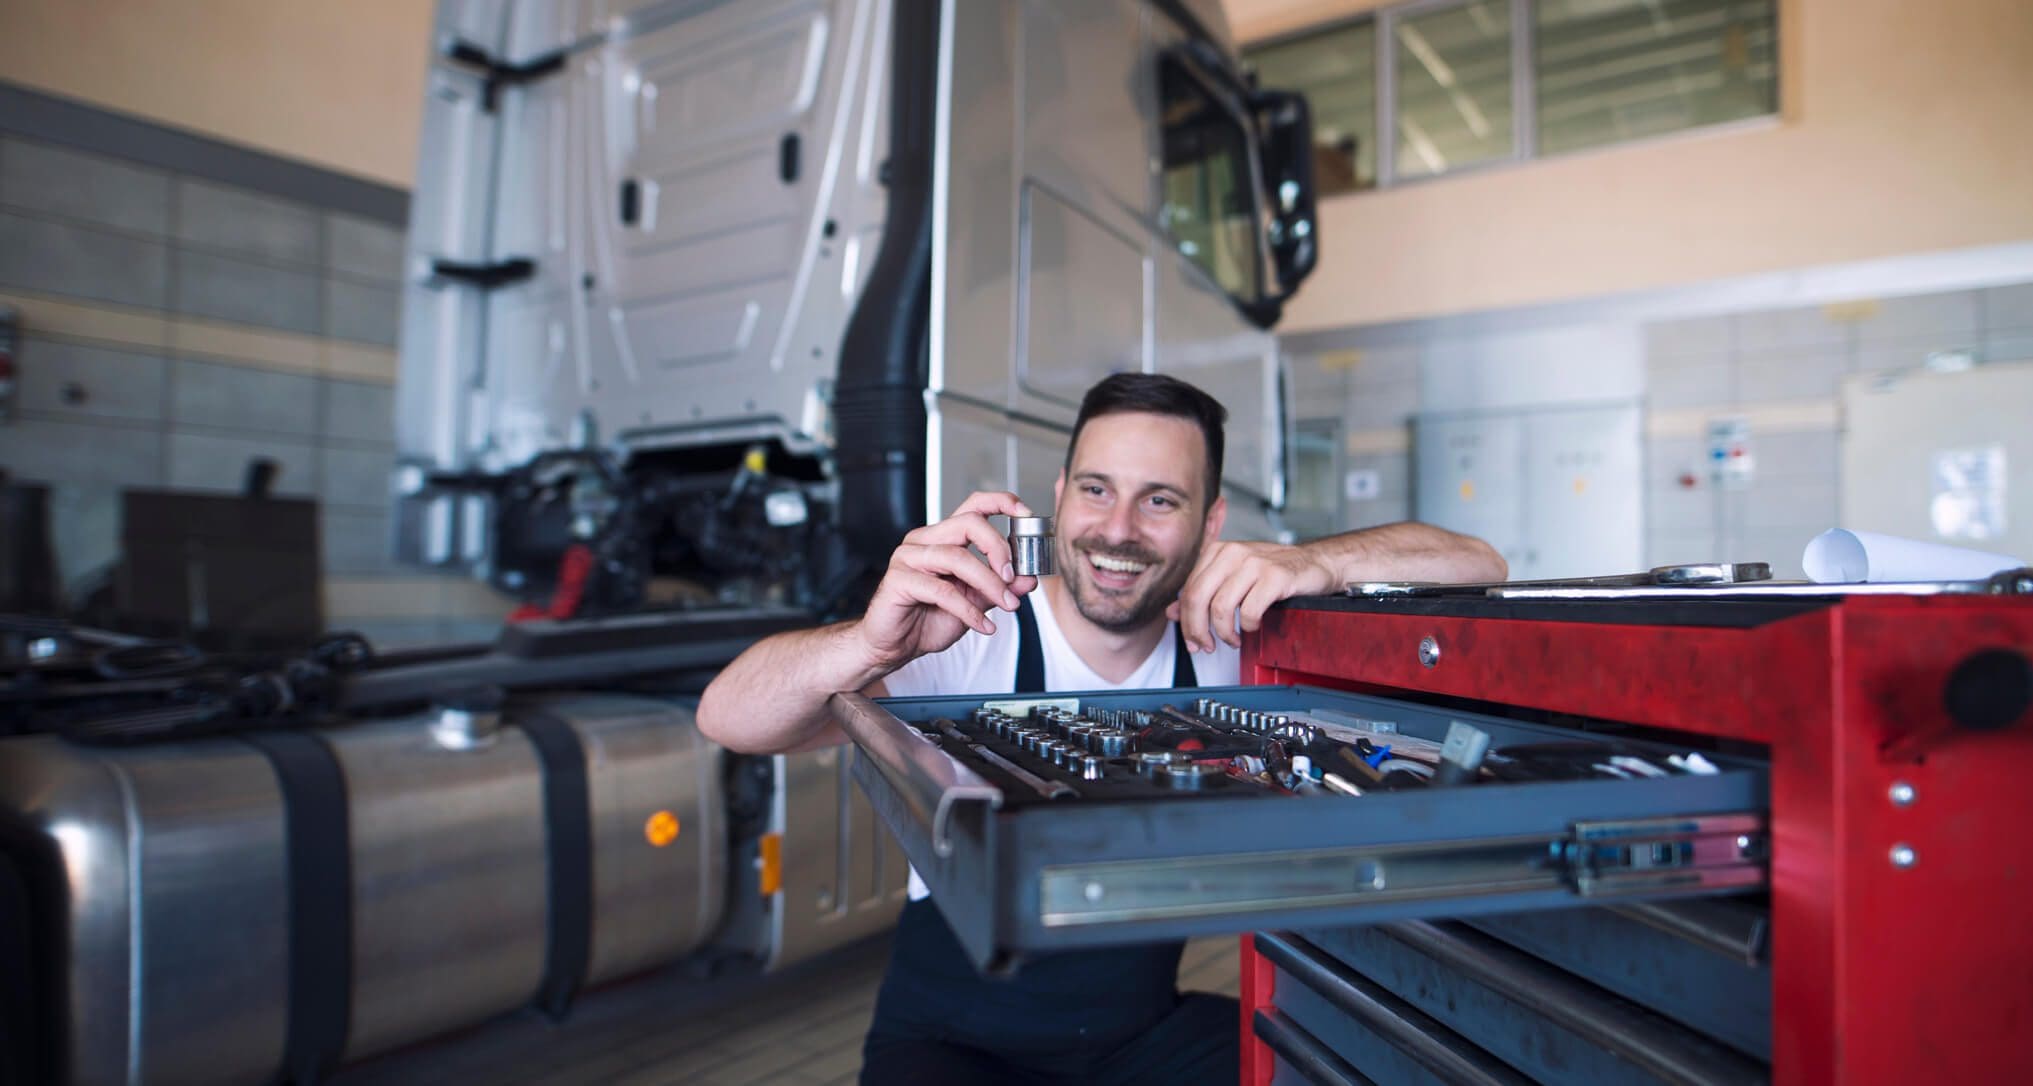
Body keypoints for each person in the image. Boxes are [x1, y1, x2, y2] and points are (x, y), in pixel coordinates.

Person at [697, 373, 1506, 1084]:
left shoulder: (1228, 647)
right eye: (1095, 489)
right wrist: (869, 641)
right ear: (1058, 496)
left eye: (1160, 500)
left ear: (1210, 521)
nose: (1117, 528)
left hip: (1136, 1036)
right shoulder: (963, 633)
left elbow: (1478, 562)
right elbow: (727, 716)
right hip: (953, 1044)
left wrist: (1318, 564)